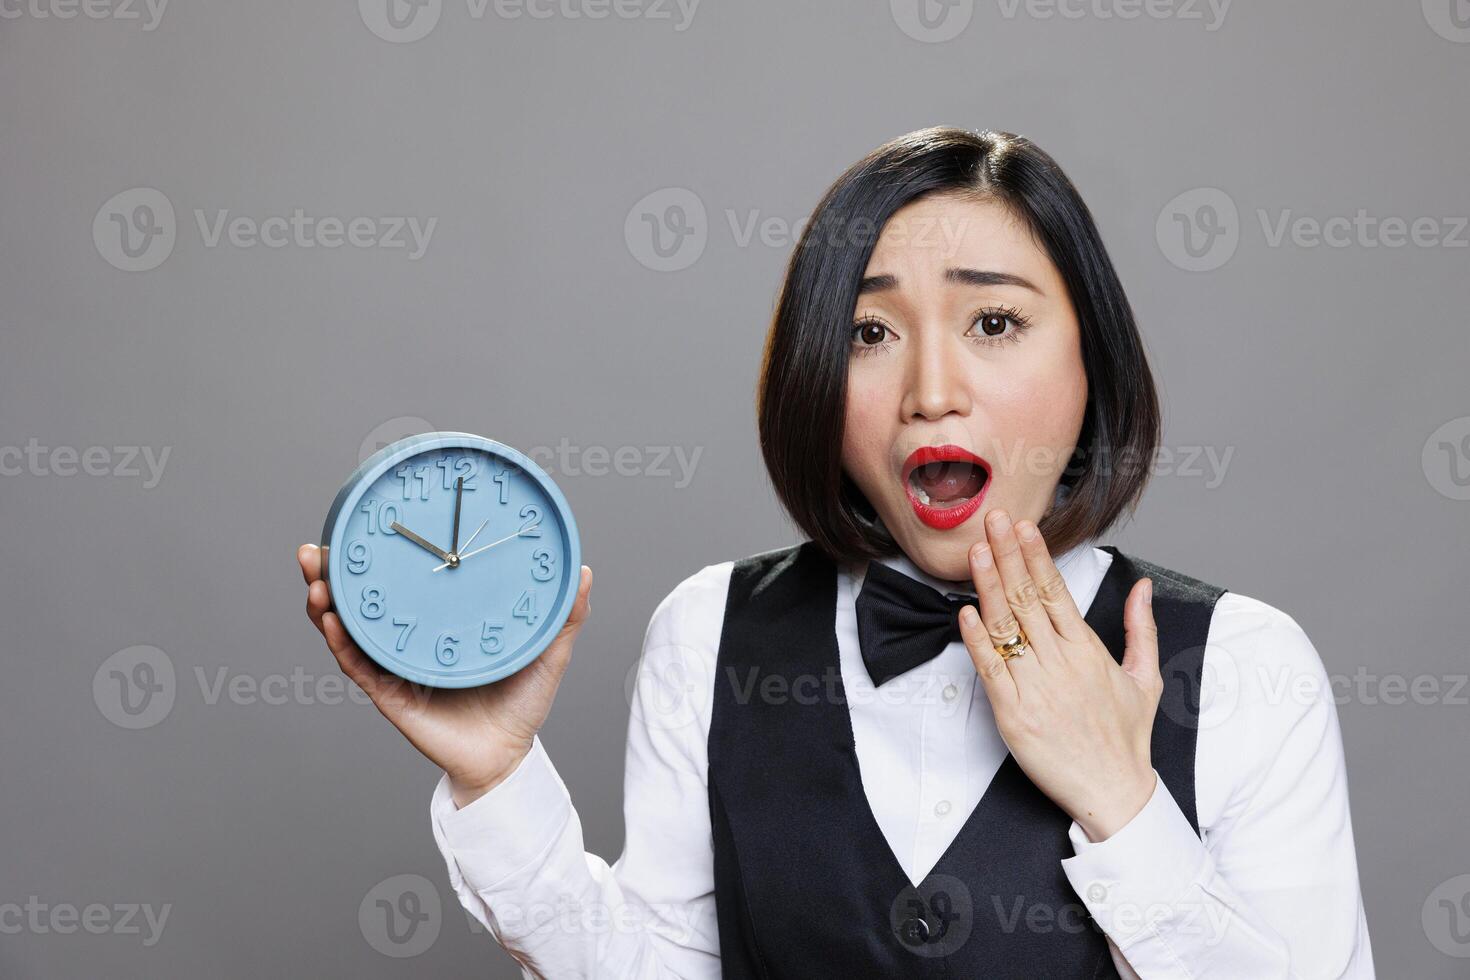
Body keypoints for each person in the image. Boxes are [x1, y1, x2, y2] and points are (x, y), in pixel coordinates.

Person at [298, 126, 1374, 977]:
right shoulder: (711, 629)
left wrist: (1121, 800)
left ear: (1092, 361)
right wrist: (497, 779)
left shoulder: (1241, 665)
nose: (932, 390)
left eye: (994, 322)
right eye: (870, 333)